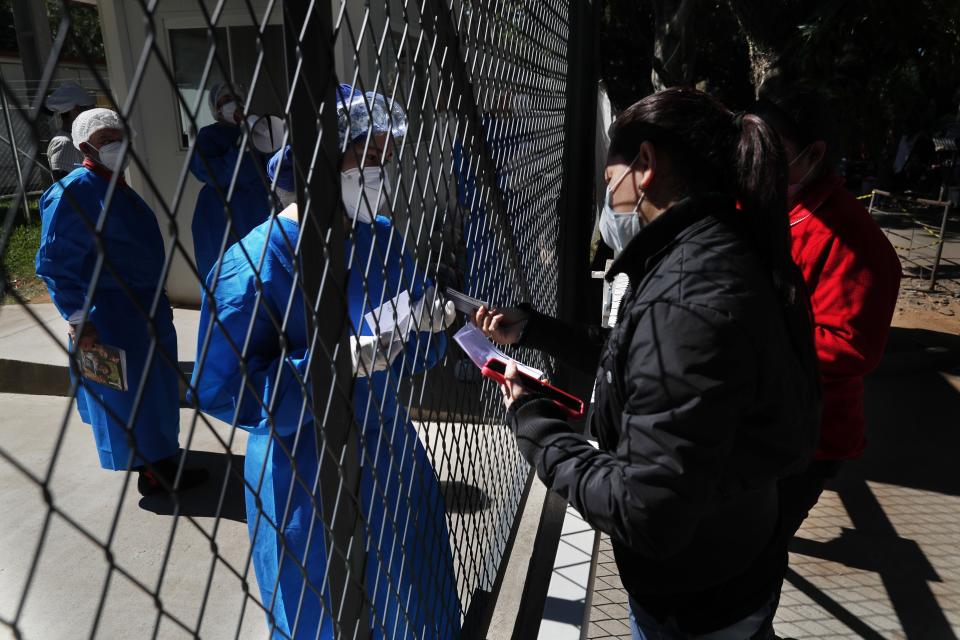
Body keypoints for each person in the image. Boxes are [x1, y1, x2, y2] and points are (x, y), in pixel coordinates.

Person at [476, 87, 821, 639]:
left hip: (694, 602)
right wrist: (538, 329)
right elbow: (651, 355)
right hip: (732, 562)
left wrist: (535, 424)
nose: (604, 194)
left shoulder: (687, 293)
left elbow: (645, 511)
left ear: (644, 166)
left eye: (606, 178)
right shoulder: (715, 251)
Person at [191, 86, 460, 639]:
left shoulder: (378, 236)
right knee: (321, 604)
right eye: (366, 160)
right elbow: (225, 387)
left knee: (409, 587)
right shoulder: (256, 261)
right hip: (305, 467)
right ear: (316, 162)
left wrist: (431, 322)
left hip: (388, 445)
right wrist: (323, 368)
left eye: (386, 161)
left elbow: (408, 337)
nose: (378, 176)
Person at [753, 85, 901, 626]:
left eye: (773, 148)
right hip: (758, 416)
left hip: (807, 436)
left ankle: (754, 628)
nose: (756, 157)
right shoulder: (761, 203)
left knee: (759, 548)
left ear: (812, 156)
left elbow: (851, 346)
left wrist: (751, 346)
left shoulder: (856, 242)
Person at [35, 108, 208, 496]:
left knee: (154, 390)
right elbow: (55, 260)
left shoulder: (113, 185)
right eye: (105, 140)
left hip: (142, 309)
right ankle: (153, 470)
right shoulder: (75, 191)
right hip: (110, 312)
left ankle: (160, 456)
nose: (117, 145)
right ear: (84, 147)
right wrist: (80, 317)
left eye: (120, 136)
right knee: (132, 396)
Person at [189, 81, 270, 284]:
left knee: (261, 263)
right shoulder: (208, 136)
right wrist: (240, 147)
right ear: (216, 108)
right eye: (225, 101)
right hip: (220, 212)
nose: (232, 104)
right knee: (223, 269)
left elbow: (271, 167)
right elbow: (212, 173)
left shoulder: (258, 131)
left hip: (257, 206)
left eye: (237, 100)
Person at [44, 82, 95, 181]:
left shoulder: (77, 138)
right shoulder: (64, 143)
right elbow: (63, 188)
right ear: (76, 110)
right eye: (88, 108)